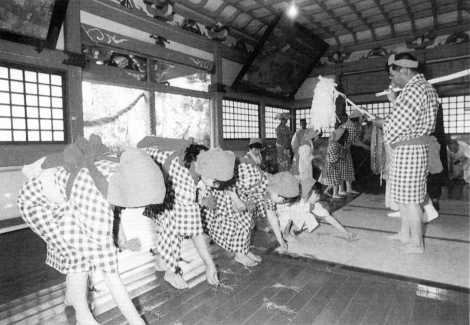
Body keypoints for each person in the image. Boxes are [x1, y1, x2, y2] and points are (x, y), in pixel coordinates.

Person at [18, 136, 165, 325]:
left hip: (66, 197)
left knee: (80, 252)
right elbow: (110, 274)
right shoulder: (95, 199)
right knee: (78, 257)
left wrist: (122, 240)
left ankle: (72, 297)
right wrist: (137, 321)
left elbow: (115, 212)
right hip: (37, 203)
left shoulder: (118, 174)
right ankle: (82, 314)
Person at [143, 144, 234, 289]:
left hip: (162, 180)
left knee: (173, 218)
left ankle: (162, 259)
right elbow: (195, 231)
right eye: (216, 182)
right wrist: (210, 265)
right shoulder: (184, 182)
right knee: (173, 225)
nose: (216, 187)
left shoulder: (202, 165)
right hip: (146, 172)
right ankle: (171, 271)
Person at [380, 52, 439, 254]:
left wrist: (384, 125)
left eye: (393, 74)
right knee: (404, 197)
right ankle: (405, 234)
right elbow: (407, 118)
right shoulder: (421, 88)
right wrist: (394, 102)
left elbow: (398, 123)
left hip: (410, 149)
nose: (392, 78)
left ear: (404, 69)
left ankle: (417, 243)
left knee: (411, 200)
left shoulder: (414, 89)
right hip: (410, 147)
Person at [270, 175, 356, 241]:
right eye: (317, 195)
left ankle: (293, 228)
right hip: (280, 212)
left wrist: (346, 232)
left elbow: (329, 218)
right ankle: (285, 232)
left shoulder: (315, 204)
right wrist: (284, 232)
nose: (318, 198)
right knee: (288, 216)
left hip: (294, 211)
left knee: (307, 217)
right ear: (311, 192)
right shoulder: (294, 200)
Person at [339, 110, 369, 195]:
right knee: (342, 169)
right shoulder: (351, 126)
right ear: (358, 118)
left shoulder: (352, 125)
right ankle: (341, 190)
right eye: (362, 118)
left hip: (345, 149)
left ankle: (348, 188)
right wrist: (365, 146)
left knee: (348, 168)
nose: (363, 120)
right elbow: (355, 141)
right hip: (340, 149)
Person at [322, 127, 349, 199]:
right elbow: (335, 157)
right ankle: (335, 194)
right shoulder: (334, 145)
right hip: (332, 165)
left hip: (331, 164)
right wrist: (342, 154)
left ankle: (327, 191)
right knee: (335, 180)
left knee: (334, 181)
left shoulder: (334, 143)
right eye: (345, 137)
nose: (346, 138)